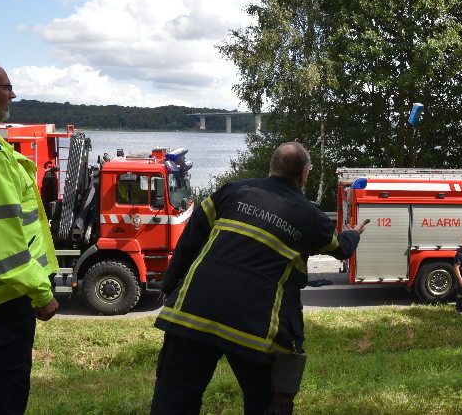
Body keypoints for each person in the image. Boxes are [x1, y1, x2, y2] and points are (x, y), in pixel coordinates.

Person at [151, 141, 367, 415]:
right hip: (255, 328)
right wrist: (355, 232)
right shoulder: (312, 218)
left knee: (173, 402)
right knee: (266, 404)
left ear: (272, 167)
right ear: (304, 174)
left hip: (192, 313)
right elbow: (341, 249)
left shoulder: (233, 191)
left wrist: (170, 284)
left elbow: (191, 238)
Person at [0, 58, 59, 414]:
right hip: (4, 302)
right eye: (5, 88)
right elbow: (2, 245)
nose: (12, 95)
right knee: (6, 393)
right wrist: (40, 292)